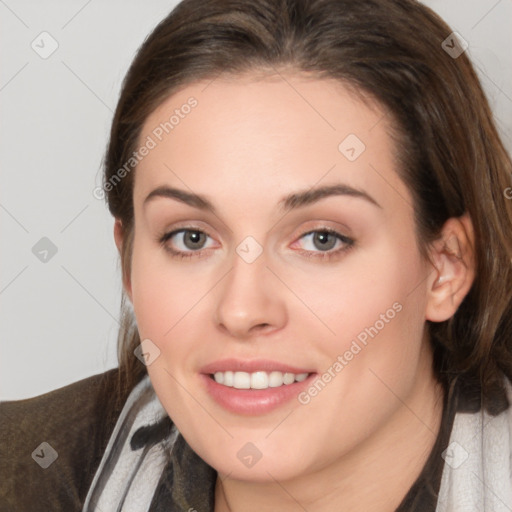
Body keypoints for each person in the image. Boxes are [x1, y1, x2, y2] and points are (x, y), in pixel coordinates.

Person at [2, 0, 512, 510]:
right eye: (191, 238)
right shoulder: (24, 474)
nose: (242, 310)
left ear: (446, 267)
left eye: (321, 239)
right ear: (129, 262)